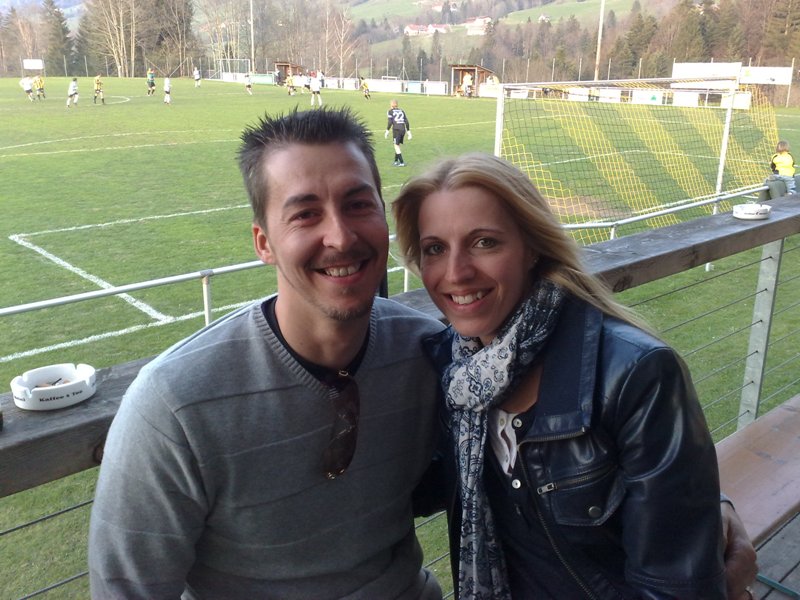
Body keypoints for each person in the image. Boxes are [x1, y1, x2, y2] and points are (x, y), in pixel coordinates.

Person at [88, 107, 445, 599]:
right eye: (305, 214)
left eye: (359, 204)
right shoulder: (174, 404)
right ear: (264, 243)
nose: (340, 236)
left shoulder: (427, 352)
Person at [394, 152, 754, 599]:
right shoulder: (454, 372)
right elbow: (405, 487)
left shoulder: (635, 375)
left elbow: (676, 587)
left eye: (484, 242)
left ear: (532, 247)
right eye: (435, 249)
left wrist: (702, 505)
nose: (456, 273)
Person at [385, 99, 411, 167]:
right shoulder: (402, 111)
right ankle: (396, 161)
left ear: (391, 105)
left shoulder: (390, 111)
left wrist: (387, 131)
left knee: (396, 146)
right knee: (397, 145)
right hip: (403, 129)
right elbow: (407, 122)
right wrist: (408, 132)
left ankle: (402, 162)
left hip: (396, 130)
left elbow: (390, 122)